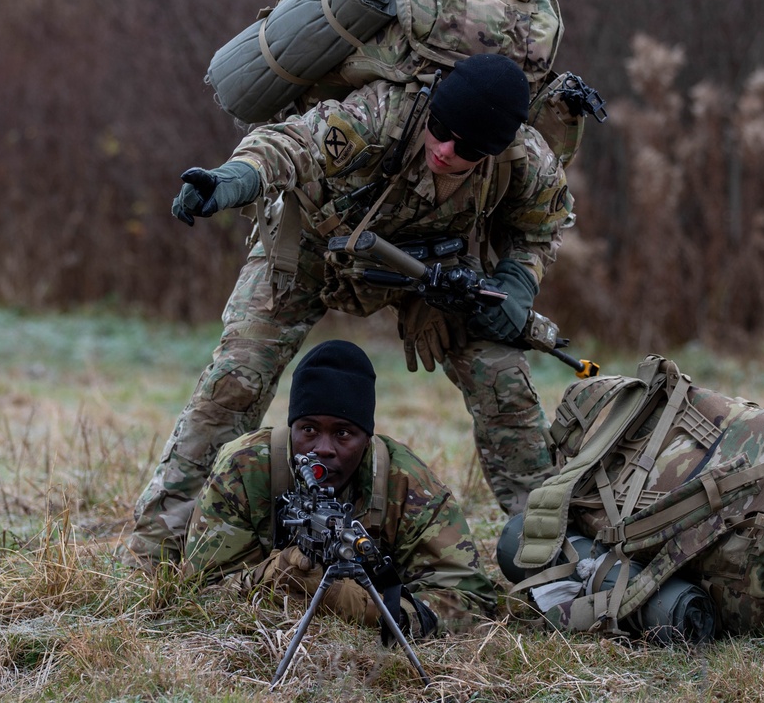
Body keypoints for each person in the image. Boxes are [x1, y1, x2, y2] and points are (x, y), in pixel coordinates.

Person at [127, 52, 573, 565]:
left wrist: (515, 287)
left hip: (432, 273)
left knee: (505, 385)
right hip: (315, 247)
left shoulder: (527, 161)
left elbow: (540, 227)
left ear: (496, 149)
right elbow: (290, 145)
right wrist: (234, 180)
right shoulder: (379, 114)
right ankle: (157, 549)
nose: (447, 150)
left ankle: (552, 553)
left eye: (469, 148)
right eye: (442, 129)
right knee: (235, 379)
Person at [181, 339, 498, 636]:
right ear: (291, 428)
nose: (323, 449)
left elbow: (470, 597)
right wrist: (269, 577)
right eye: (308, 429)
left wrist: (373, 610)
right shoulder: (246, 468)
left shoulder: (406, 484)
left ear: (366, 439)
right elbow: (201, 591)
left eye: (343, 434)